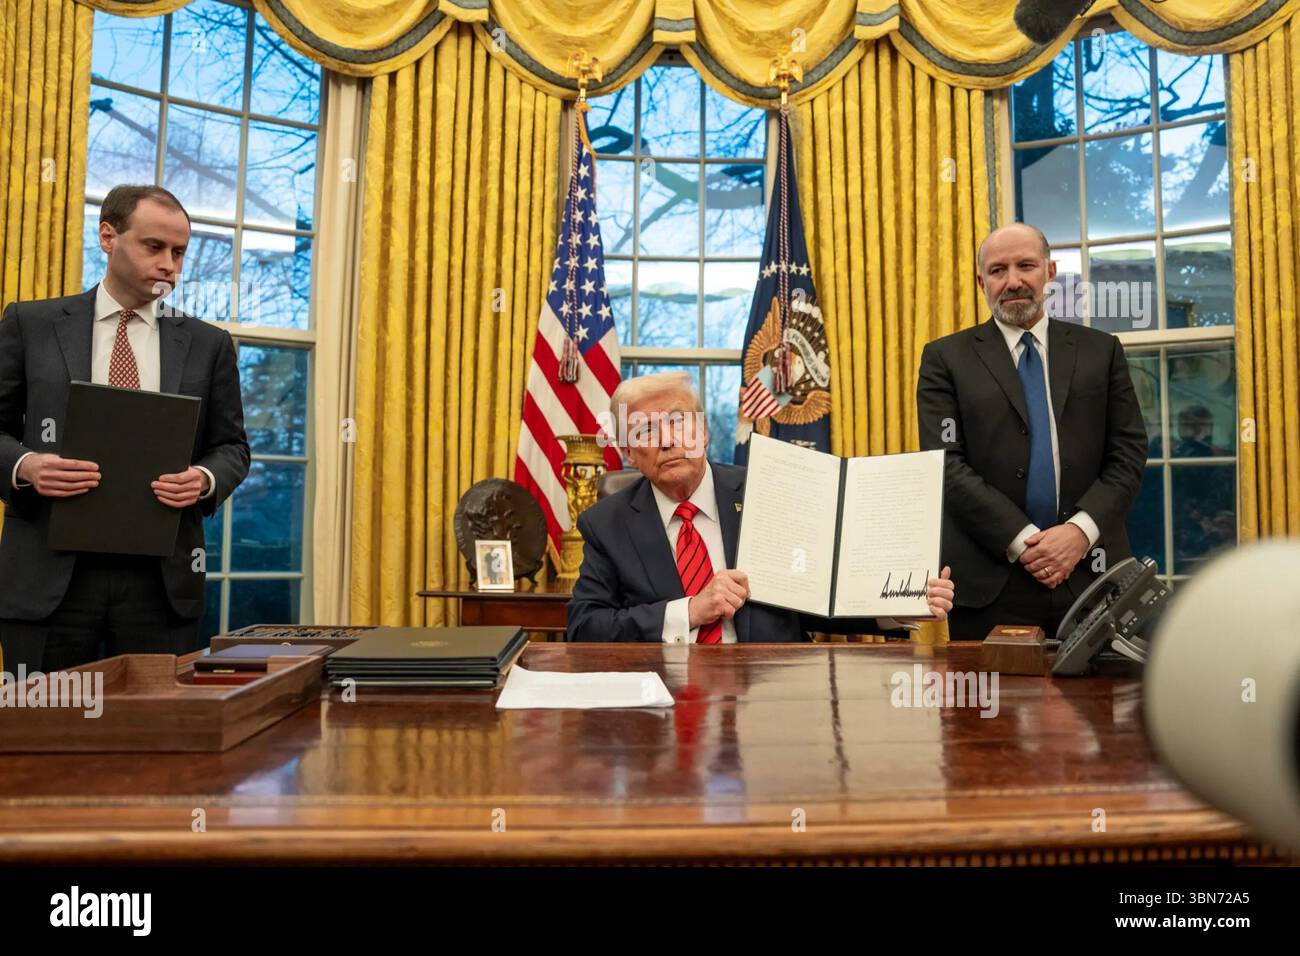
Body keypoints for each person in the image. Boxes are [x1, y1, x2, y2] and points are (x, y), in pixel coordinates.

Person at [0, 185, 250, 670]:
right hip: (46, 581)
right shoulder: (31, 324)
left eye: (179, 252)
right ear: (108, 236)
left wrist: (203, 479)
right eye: (154, 247)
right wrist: (27, 466)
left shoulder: (208, 344)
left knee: (154, 742)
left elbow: (231, 447)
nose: (169, 266)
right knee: (41, 740)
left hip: (160, 586)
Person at [567, 372, 954, 643]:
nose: (668, 440)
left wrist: (903, 603)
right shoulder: (606, 523)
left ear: (703, 433)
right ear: (629, 453)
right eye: (646, 430)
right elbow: (586, 626)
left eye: (679, 422)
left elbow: (817, 599)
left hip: (775, 688)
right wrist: (690, 611)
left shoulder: (771, 491)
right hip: (669, 697)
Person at [916, 223, 1146, 641]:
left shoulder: (1102, 350)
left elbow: (1128, 454)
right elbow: (945, 465)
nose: (1014, 281)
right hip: (990, 583)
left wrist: (1078, 532)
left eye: (1026, 266)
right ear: (981, 281)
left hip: (1093, 572)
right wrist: (1026, 542)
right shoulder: (944, 359)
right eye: (999, 270)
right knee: (986, 707)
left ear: (1050, 271)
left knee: (1103, 706)